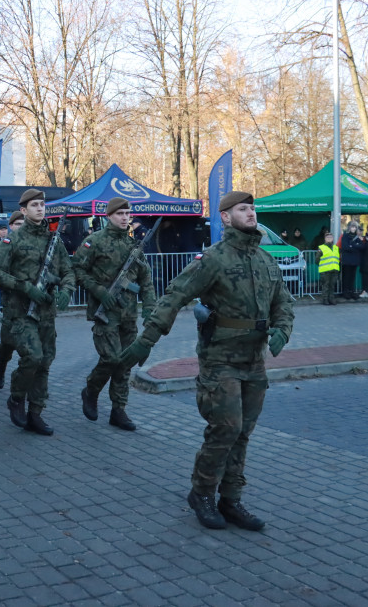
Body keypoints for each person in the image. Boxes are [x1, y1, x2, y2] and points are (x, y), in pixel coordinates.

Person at [118, 191, 294, 531]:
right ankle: (201, 493)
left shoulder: (265, 260)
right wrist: (146, 341)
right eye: (243, 209)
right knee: (225, 429)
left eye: (252, 208)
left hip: (253, 361)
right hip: (219, 360)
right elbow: (175, 295)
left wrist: (282, 331)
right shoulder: (213, 259)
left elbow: (283, 303)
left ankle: (231, 500)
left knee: (243, 433)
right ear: (225, 217)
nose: (251, 213)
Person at [0, 189, 75, 436]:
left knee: (45, 363)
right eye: (34, 205)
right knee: (33, 357)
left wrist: (66, 290)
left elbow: (68, 271)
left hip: (46, 312)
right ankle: (16, 398)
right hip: (21, 312)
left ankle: (36, 413)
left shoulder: (53, 240)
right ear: (24, 211)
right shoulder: (13, 240)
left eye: (42, 205)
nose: (40, 208)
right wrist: (24, 287)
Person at [74, 198, 156, 431]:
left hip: (128, 314)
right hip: (105, 313)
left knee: (125, 364)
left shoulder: (134, 247)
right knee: (111, 359)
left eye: (127, 213)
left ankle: (118, 410)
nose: (124, 217)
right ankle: (91, 390)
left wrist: (150, 307)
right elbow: (77, 270)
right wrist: (98, 290)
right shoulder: (94, 242)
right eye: (119, 213)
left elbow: (146, 281)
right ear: (109, 216)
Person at [0, 210, 25, 389]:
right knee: (8, 342)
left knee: (33, 351)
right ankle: (1, 365)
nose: (21, 227)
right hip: (13, 302)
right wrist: (19, 284)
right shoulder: (6, 245)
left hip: (34, 304)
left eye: (23, 223)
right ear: (11, 227)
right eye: (18, 224)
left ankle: (34, 386)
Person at [339, 222, 363, 300]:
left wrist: (352, 246)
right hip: (347, 260)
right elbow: (345, 247)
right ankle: (345, 292)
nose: (353, 228)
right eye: (352, 227)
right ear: (349, 228)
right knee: (346, 276)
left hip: (354, 260)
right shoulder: (345, 236)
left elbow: (361, 246)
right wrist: (355, 247)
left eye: (355, 227)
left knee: (352, 277)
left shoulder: (357, 237)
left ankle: (351, 291)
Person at [317, 231, 340, 305]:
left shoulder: (336, 247)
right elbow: (317, 260)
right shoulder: (321, 247)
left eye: (330, 237)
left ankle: (331, 299)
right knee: (326, 286)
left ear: (333, 238)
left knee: (332, 285)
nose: (329, 238)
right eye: (327, 237)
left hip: (334, 269)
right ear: (325, 239)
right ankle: (325, 299)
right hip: (325, 270)